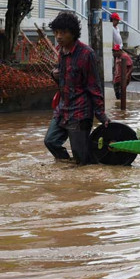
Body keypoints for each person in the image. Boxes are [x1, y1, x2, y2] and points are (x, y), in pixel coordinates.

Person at [43, 11, 110, 165]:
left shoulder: (87, 54)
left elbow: (94, 87)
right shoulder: (61, 51)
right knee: (50, 141)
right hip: (63, 109)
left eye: (63, 33)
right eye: (56, 32)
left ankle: (86, 175)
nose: (58, 36)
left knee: (81, 158)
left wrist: (101, 115)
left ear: (73, 33)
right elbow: (63, 82)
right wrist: (54, 75)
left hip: (80, 112)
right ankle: (66, 168)